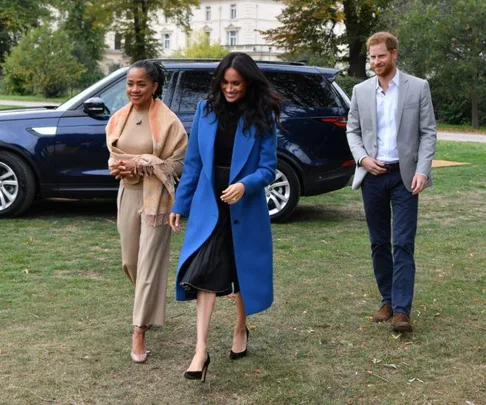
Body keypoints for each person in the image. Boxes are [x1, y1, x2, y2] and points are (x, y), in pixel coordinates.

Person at [169, 52, 280, 382]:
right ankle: (200, 351)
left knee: (242, 270)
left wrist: (245, 185)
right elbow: (193, 164)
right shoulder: (205, 111)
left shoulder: (263, 117)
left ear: (248, 84)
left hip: (244, 207)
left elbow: (268, 169)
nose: (230, 89)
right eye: (226, 83)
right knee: (203, 270)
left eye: (237, 84)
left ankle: (241, 327)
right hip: (209, 205)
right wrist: (180, 204)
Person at [346, 32, 437, 333]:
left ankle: (401, 311)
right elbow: (352, 131)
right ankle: (386, 300)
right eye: (372, 57)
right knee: (379, 243)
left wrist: (422, 170)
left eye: (380, 56)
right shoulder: (360, 91)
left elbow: (428, 133)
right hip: (373, 175)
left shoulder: (418, 87)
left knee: (403, 243)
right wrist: (362, 159)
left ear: (394, 54)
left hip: (405, 176)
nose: (375, 62)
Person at [106, 60, 187, 362]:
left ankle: (139, 330)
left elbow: (179, 163)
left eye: (141, 84)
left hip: (158, 199)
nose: (134, 89)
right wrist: (120, 168)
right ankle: (148, 305)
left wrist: (143, 162)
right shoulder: (118, 119)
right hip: (128, 193)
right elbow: (114, 156)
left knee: (150, 262)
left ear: (154, 86)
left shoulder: (169, 122)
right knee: (130, 261)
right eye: (130, 83)